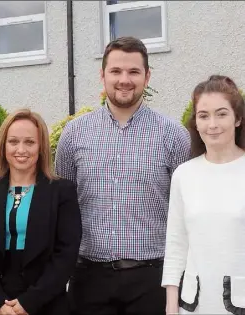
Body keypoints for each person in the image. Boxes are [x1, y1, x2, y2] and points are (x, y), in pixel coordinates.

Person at [55, 36, 191, 315]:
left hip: (152, 281)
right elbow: (62, 209)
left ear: (147, 76)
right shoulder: (74, 135)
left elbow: (186, 213)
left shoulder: (174, 136)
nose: (124, 80)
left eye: (133, 72)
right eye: (116, 71)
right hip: (89, 279)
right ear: (102, 75)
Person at [0, 108, 82, 315]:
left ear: (41, 147)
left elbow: (66, 254)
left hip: (47, 302)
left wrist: (29, 302)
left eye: (29, 142)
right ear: (3, 146)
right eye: (13, 142)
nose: (21, 149)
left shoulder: (62, 192)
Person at [162, 75, 245, 314]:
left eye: (221, 114)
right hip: (193, 304)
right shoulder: (184, 175)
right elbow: (176, 246)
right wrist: (171, 305)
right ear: (195, 123)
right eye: (204, 116)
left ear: (237, 118)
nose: (212, 124)